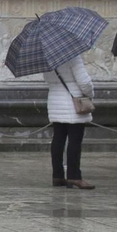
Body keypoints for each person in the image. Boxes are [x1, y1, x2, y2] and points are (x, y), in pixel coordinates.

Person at [44, 53, 95, 189]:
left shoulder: (47, 56)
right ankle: (74, 176)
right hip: (73, 102)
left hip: (55, 100)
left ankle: (58, 175)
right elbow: (84, 82)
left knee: (58, 139)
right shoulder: (72, 55)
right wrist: (90, 94)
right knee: (75, 141)